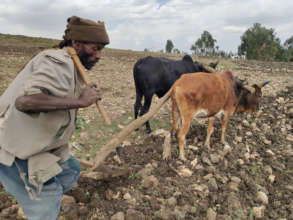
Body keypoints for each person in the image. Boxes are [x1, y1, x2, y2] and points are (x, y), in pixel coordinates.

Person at [0, 16, 110, 220]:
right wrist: (80, 102)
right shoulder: (59, 62)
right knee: (47, 203)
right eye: (95, 48)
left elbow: (57, 96)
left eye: (101, 50)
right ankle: (38, 206)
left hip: (41, 145)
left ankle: (34, 199)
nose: (98, 55)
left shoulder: (72, 65)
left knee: (71, 171)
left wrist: (81, 95)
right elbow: (25, 102)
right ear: (76, 43)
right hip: (16, 149)